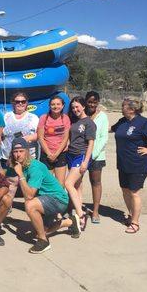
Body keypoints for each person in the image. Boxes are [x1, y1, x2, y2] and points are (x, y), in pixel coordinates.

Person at [8, 138, 80, 254]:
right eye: (15, 152)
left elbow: (29, 196)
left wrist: (20, 174)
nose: (18, 155)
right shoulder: (20, 165)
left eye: (21, 151)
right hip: (45, 198)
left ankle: (43, 241)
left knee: (30, 205)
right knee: (42, 230)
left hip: (58, 199)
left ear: (27, 151)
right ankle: (70, 222)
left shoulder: (34, 167)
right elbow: (5, 177)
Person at [111, 98, 147, 234]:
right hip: (123, 163)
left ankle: (135, 222)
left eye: (123, 106)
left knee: (134, 192)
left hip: (138, 164)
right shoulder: (122, 121)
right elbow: (111, 129)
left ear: (131, 109)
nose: (121, 107)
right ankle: (130, 215)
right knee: (125, 190)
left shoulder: (143, 123)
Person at [64, 96, 96, 232]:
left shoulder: (89, 123)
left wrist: (85, 162)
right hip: (71, 155)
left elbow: (91, 143)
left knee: (68, 183)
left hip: (81, 156)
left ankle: (82, 214)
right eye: (73, 107)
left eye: (77, 106)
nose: (75, 109)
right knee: (77, 186)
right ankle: (79, 213)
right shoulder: (74, 121)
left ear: (83, 106)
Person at [1, 92, 39, 198]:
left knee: (28, 182)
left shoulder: (33, 117)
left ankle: (30, 204)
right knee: (11, 182)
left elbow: (38, 134)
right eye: (17, 101)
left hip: (28, 156)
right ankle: (7, 205)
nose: (20, 103)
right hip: (9, 155)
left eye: (23, 101)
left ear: (27, 103)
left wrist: (24, 139)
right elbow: (1, 134)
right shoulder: (7, 116)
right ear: (13, 103)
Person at [85, 91, 108, 224]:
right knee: (77, 182)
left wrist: (93, 154)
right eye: (89, 101)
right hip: (81, 154)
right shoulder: (81, 115)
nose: (92, 104)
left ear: (98, 102)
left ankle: (95, 210)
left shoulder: (102, 117)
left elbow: (103, 137)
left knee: (96, 182)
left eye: (95, 102)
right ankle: (74, 208)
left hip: (96, 156)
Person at [37, 95, 71, 187]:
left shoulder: (66, 118)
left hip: (61, 154)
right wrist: (49, 154)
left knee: (60, 184)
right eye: (53, 104)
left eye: (58, 104)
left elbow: (65, 138)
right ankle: (47, 201)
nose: (55, 106)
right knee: (47, 183)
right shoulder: (43, 118)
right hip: (46, 154)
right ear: (49, 106)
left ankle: (59, 201)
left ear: (63, 106)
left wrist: (56, 154)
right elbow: (40, 137)